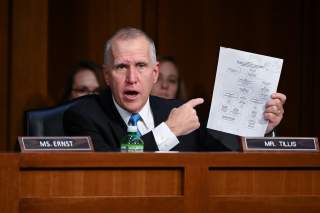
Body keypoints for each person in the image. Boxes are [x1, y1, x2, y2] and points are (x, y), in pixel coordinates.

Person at [63, 27, 286, 152]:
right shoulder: (83, 115)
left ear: (155, 73)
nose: (132, 78)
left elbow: (226, 163)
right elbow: (111, 170)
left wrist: (260, 128)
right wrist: (168, 131)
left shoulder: (180, 112)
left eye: (141, 66)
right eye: (122, 66)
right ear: (107, 75)